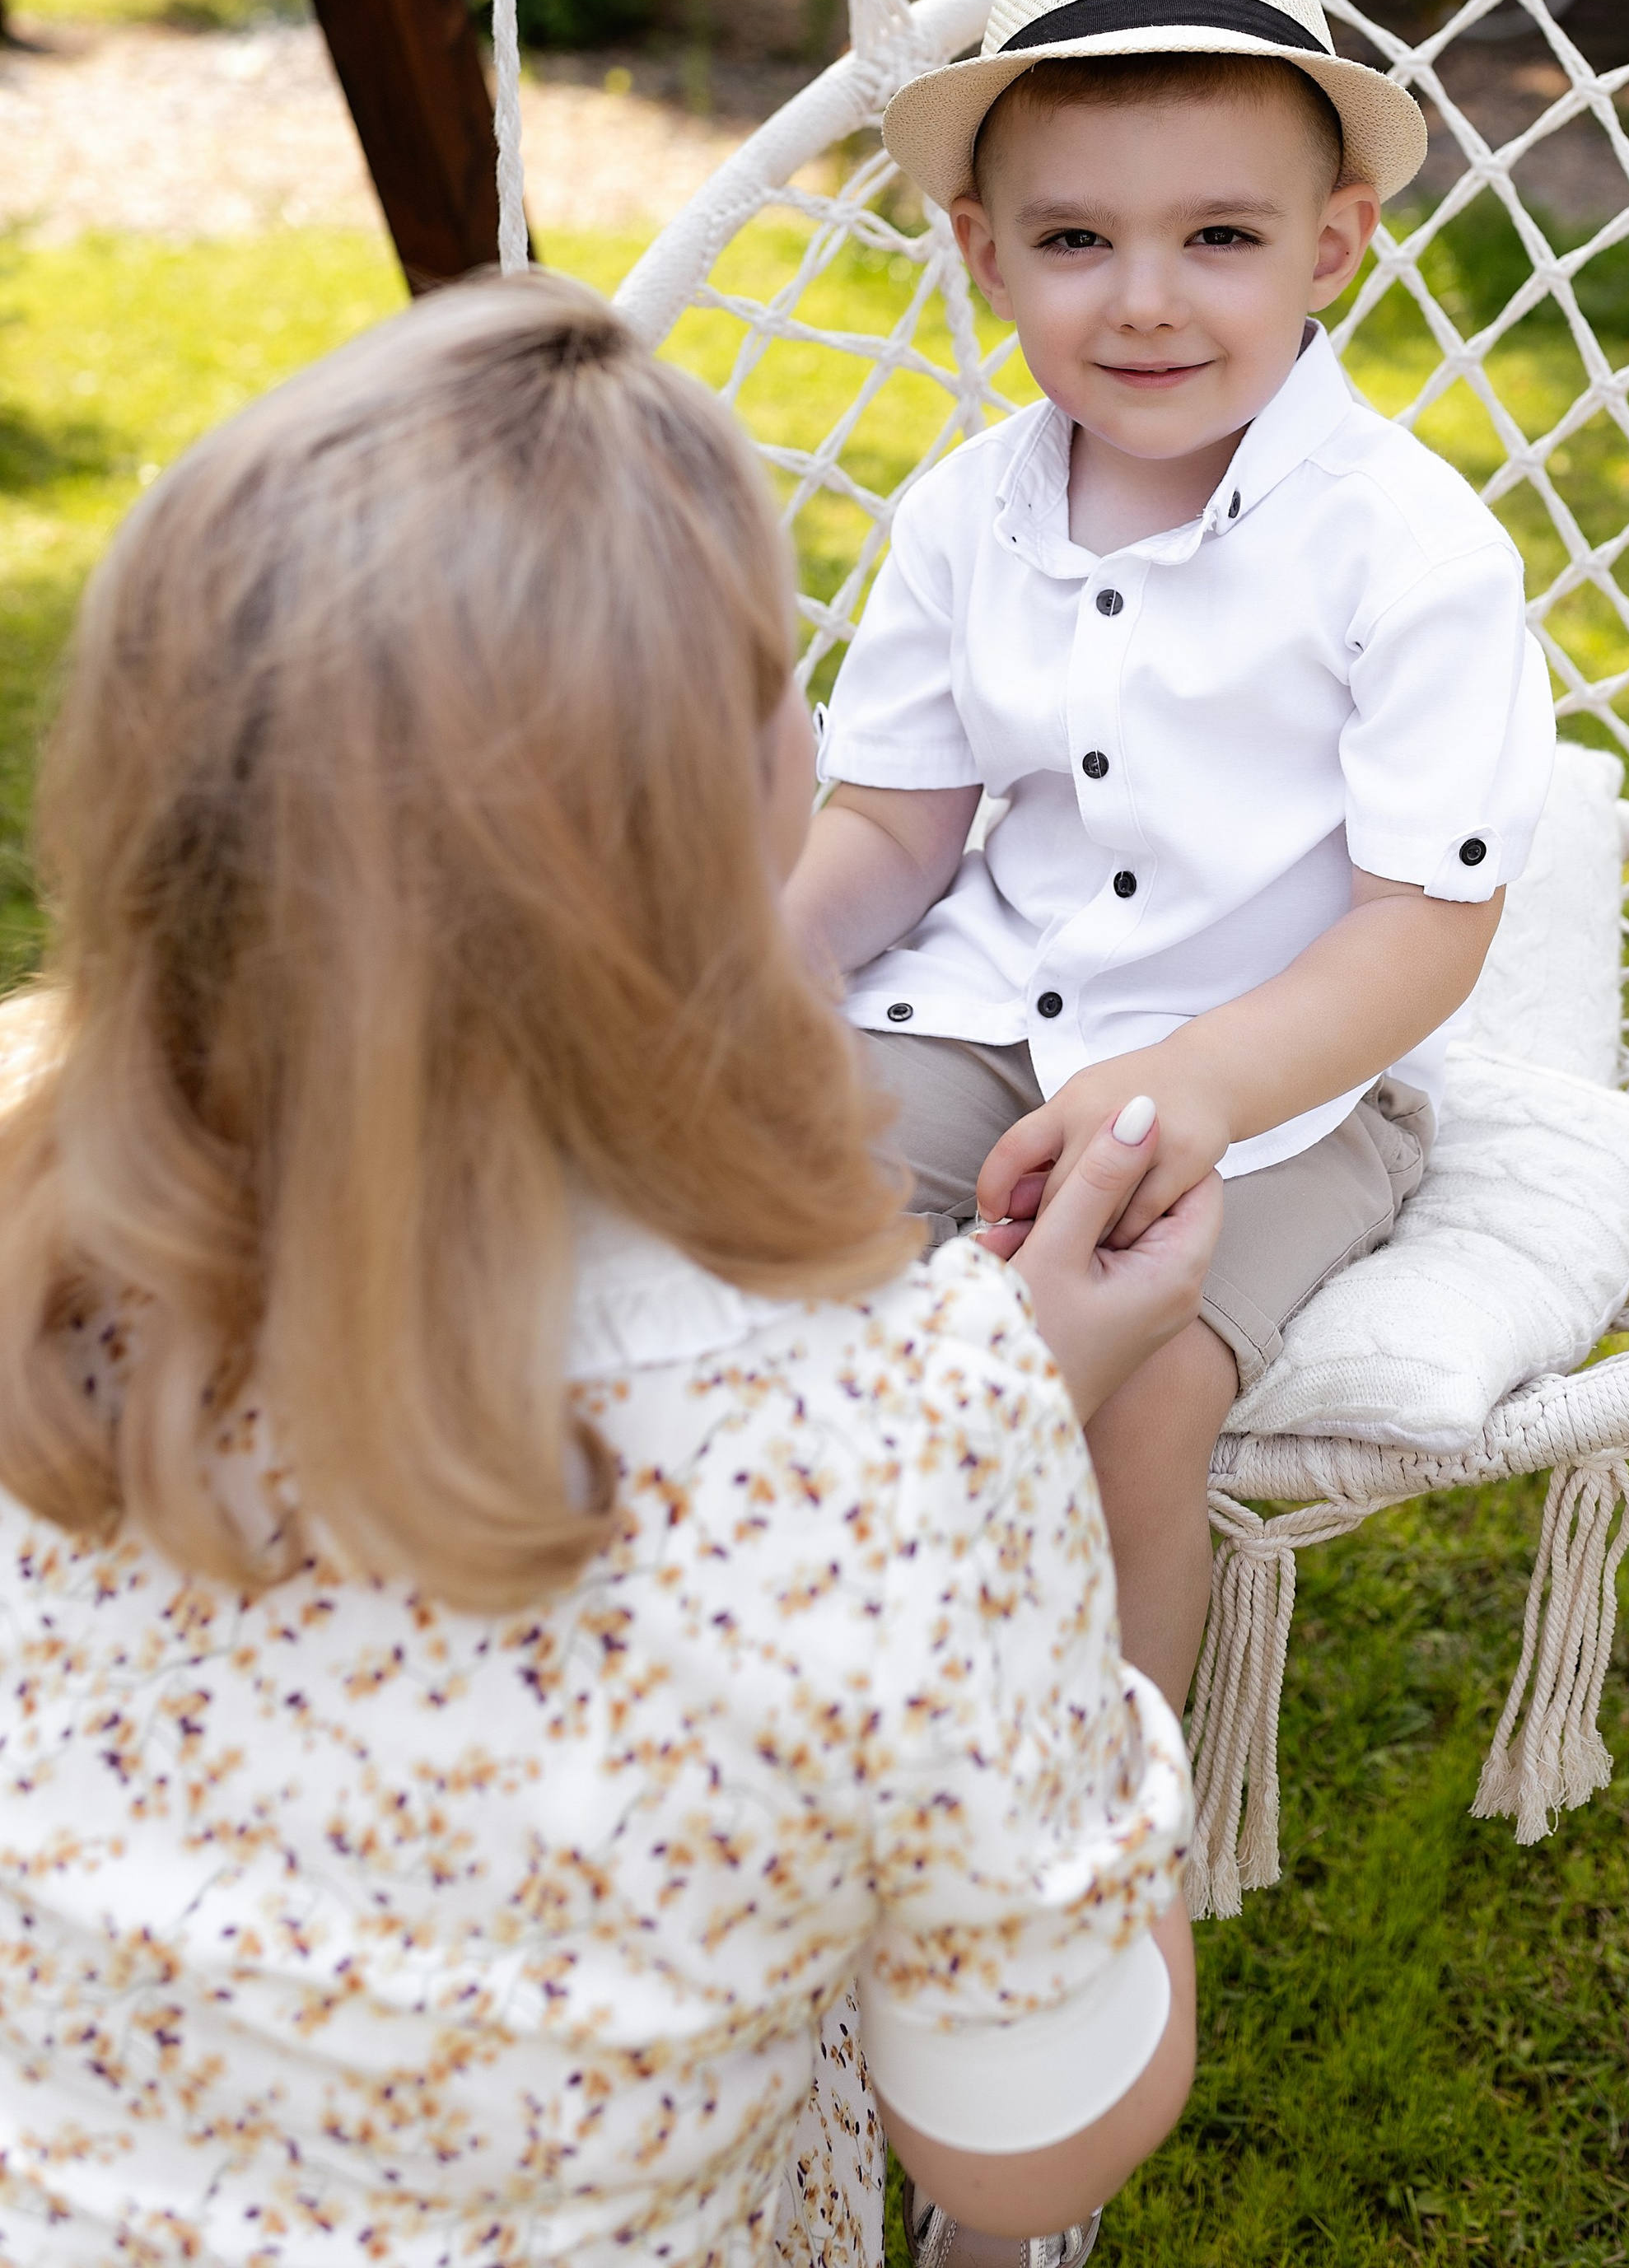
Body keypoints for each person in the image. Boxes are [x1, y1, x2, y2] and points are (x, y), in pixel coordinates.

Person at [0, 273, 1216, 2268]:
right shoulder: (908, 1447)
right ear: (717, 828)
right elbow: (1024, 2158)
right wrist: (1056, 1659)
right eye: (780, 682)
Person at [788, 0, 1557, 1716]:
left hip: (1274, 1084)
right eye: (1074, 241)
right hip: (981, 1010)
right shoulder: (961, 513)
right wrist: (762, 964)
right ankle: (824, 1713)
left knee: (1131, 1389)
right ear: (982, 256)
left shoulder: (1406, 548)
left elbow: (1421, 926)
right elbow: (895, 821)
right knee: (778, 1247)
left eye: (1217, 237)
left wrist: (1195, 1086)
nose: (1142, 299)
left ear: (1330, 245)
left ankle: (1098, 1796)